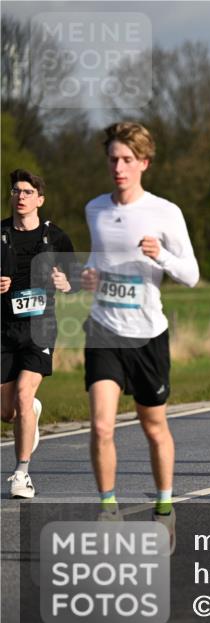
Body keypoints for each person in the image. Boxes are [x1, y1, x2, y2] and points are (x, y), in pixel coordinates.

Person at [80, 122, 199, 545]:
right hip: (104, 330)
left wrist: (161, 254)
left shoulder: (165, 212)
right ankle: (108, 510)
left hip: (148, 335)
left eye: (127, 160)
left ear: (144, 163)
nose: (119, 167)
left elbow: (192, 275)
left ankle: (164, 508)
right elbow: (96, 262)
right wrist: (89, 277)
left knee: (153, 426)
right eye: (113, 159)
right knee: (101, 426)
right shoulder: (94, 209)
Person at [1, 169, 77, 499]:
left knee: (23, 392)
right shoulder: (0, 233)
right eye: (16, 191)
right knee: (7, 412)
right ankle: (29, 411)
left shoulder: (56, 237)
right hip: (3, 328)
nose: (21, 196)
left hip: (40, 326)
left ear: (39, 199)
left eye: (28, 192)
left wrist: (66, 283)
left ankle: (21, 475)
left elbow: (74, 279)